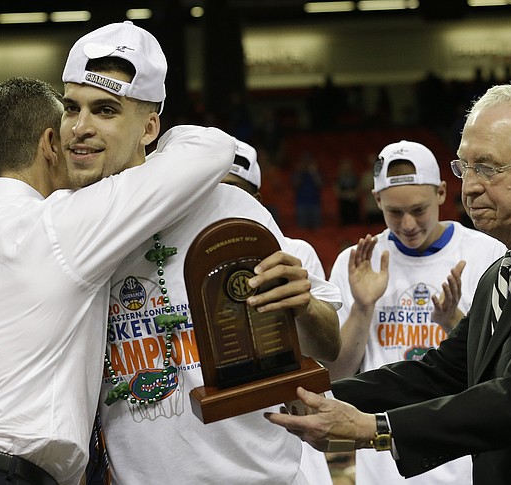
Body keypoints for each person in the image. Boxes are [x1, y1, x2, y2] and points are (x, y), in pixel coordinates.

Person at [265, 84, 511, 484]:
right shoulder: (505, 269)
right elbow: (442, 371)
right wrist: (316, 393)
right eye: (464, 167)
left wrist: (374, 429)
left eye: (488, 168)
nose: (469, 186)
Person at [0, 68, 234, 484]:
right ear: (49, 144)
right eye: (67, 131)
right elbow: (210, 149)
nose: (78, 142)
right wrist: (144, 129)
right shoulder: (58, 227)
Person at [61, 23, 340, 485]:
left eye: (105, 110)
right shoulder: (65, 227)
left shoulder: (231, 209)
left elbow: (328, 347)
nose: (81, 128)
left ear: (150, 127)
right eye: (72, 108)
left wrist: (305, 306)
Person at [326, 139, 505, 485]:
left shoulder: (486, 253)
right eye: (394, 212)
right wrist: (363, 307)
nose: (408, 224)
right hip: (383, 466)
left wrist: (453, 323)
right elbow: (337, 374)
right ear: (377, 200)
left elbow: (500, 374)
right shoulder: (358, 262)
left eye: (419, 210)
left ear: (441, 193)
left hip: (464, 461)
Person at [222, 138, 335, 485]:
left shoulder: (292, 252)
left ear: (256, 201)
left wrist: (304, 306)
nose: (221, 203)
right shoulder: (177, 260)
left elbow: (329, 351)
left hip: (281, 438)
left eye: (234, 192)